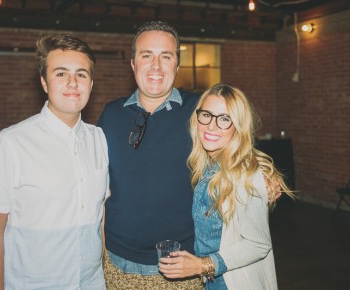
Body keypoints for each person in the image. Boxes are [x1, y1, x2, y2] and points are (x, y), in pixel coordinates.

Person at [98, 21, 282, 290]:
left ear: (177, 65)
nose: (156, 66)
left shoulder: (198, 110)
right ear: (133, 63)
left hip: (180, 271)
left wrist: (265, 174)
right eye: (146, 55)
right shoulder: (110, 114)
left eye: (166, 56)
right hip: (116, 265)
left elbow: (237, 141)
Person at [0, 34, 109, 289]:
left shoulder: (98, 139)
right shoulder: (9, 145)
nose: (72, 83)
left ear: (91, 83)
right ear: (44, 83)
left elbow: (99, 214)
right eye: (60, 74)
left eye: (81, 74)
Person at [158, 83, 294, 289]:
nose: (212, 126)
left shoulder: (244, 174)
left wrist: (202, 265)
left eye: (224, 119)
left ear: (237, 126)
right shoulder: (206, 164)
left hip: (230, 282)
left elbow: (258, 244)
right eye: (207, 115)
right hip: (211, 281)